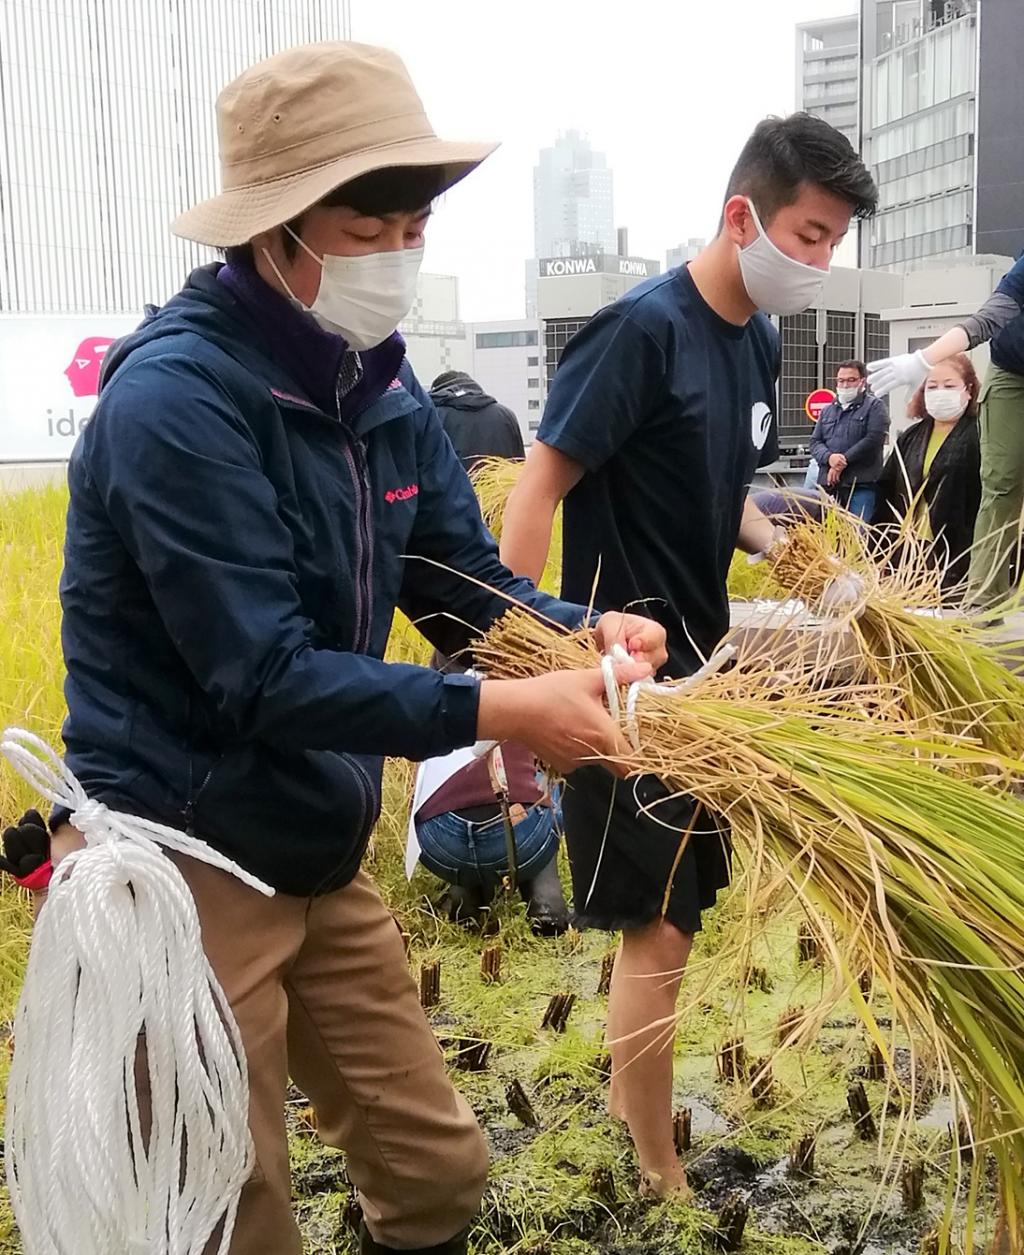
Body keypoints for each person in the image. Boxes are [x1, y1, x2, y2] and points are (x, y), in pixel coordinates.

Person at [41, 42, 667, 1255]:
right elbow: (262, 673)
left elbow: (458, 581)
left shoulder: (381, 393)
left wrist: (574, 635)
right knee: (227, 1210)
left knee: (436, 1171)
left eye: (412, 221)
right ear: (275, 230)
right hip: (187, 859)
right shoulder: (178, 403)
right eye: (366, 219)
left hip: (319, 849)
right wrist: (507, 710)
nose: (396, 247)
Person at [500, 112, 877, 1197]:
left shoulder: (753, 341)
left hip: (705, 683)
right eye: (806, 235)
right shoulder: (639, 333)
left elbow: (718, 498)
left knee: (678, 908)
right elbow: (538, 487)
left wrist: (796, 557)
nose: (816, 262)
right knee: (656, 925)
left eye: (830, 244)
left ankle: (634, 1105)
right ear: (740, 214)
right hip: (619, 687)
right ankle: (659, 1166)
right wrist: (528, 673)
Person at [867, 250, 1024, 608]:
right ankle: (984, 603)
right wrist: (924, 358)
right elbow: (986, 320)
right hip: (1014, 369)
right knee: (1001, 481)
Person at [411, 743, 569, 934]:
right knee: (551, 772)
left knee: (441, 780)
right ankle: (544, 899)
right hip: (519, 836)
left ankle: (465, 896)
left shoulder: (436, 714)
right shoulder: (527, 711)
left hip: (440, 844)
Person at [872, 353, 981, 596]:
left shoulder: (982, 435)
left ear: (969, 389)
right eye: (932, 386)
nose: (940, 392)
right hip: (909, 553)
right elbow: (886, 492)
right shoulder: (911, 437)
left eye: (949, 386)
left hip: (958, 553)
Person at [807, 360, 889, 518]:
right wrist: (829, 458)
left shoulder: (875, 407)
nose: (845, 385)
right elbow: (815, 442)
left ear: (862, 381)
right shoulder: (827, 411)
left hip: (861, 486)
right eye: (841, 380)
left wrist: (842, 461)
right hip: (829, 487)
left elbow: (874, 438)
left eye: (851, 380)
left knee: (857, 535)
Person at [429, 370, 525, 470]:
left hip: (451, 485)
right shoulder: (506, 415)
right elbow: (520, 468)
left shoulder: (434, 417)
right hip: (500, 484)